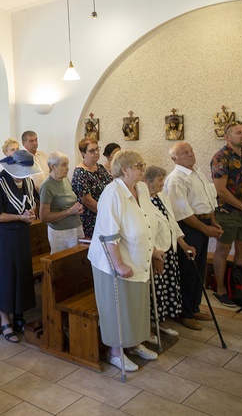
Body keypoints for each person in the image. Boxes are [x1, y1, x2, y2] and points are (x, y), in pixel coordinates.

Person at [89, 150, 159, 372]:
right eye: (138, 165)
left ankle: (134, 342)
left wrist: (154, 249)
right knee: (118, 307)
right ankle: (115, 352)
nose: (142, 169)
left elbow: (148, 220)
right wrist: (118, 264)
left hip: (137, 257)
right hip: (112, 260)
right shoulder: (112, 193)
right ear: (124, 169)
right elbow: (108, 234)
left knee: (136, 305)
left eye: (142, 164)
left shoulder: (142, 188)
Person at [0, 150, 40, 343]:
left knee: (21, 275)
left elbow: (33, 203)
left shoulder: (28, 181)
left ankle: (18, 315)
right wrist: (20, 217)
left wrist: (32, 213)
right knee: (5, 275)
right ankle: (5, 319)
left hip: (21, 235)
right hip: (3, 237)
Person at [164, 142, 222, 329]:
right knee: (188, 270)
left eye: (191, 150)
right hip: (188, 227)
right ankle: (185, 313)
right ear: (174, 159)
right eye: (185, 153)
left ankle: (194, 307)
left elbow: (208, 199)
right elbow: (182, 212)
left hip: (203, 224)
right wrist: (205, 229)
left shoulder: (197, 172)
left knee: (199, 268)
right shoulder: (175, 179)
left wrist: (212, 222)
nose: (190, 154)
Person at [211, 121, 242, 307]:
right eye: (238, 132)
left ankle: (240, 289)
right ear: (227, 137)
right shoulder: (220, 157)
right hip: (228, 213)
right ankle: (221, 290)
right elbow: (221, 190)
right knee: (223, 251)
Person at [144, 166, 197, 336]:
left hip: (170, 249)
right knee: (158, 288)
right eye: (159, 180)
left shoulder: (162, 196)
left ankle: (164, 317)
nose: (162, 183)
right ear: (148, 181)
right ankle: (156, 322)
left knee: (168, 286)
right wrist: (155, 254)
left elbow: (172, 222)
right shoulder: (143, 201)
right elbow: (148, 230)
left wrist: (184, 244)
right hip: (158, 251)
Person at [39, 152, 84, 253]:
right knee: (65, 265)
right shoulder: (47, 186)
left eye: (67, 164)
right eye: (64, 165)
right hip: (61, 233)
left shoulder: (65, 180)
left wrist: (77, 208)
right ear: (53, 167)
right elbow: (44, 217)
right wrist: (70, 211)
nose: (67, 168)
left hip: (76, 227)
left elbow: (69, 202)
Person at [72, 138, 113, 239]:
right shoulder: (80, 172)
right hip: (92, 217)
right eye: (91, 151)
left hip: (107, 213)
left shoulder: (101, 168)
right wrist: (105, 213)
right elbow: (87, 200)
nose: (96, 152)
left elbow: (112, 186)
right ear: (83, 154)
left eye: (97, 149)